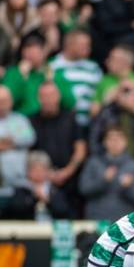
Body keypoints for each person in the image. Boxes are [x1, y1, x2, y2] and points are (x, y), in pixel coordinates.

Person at [29, 81, 86, 218]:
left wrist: (67, 171)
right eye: (44, 96)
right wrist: (44, 176)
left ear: (58, 97)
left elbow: (81, 149)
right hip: (39, 184)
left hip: (69, 182)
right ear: (39, 98)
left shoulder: (71, 119)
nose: (48, 99)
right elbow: (28, 153)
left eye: (51, 95)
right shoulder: (31, 121)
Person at [0, 84, 35, 198]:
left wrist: (6, 141)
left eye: (4, 100)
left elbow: (30, 138)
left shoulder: (20, 120)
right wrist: (13, 144)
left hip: (19, 183)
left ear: (11, 101)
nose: (1, 104)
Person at [79, 125, 134, 221]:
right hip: (96, 218)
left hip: (123, 221)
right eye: (111, 139)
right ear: (104, 142)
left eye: (119, 139)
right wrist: (103, 180)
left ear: (125, 142)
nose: (115, 143)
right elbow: (83, 189)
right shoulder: (93, 162)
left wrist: (127, 187)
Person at [50, 29, 103, 129]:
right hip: (64, 125)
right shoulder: (53, 67)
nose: (88, 48)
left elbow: (100, 91)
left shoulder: (93, 67)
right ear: (69, 45)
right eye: (83, 45)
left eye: (88, 45)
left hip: (92, 124)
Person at [89, 79, 134, 159]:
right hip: (112, 160)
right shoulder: (107, 111)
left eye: (129, 91)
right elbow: (94, 138)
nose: (126, 95)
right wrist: (102, 161)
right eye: (123, 91)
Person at [1, 32, 49, 117]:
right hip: (21, 120)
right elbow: (8, 100)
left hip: (46, 120)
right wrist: (21, 76)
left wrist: (50, 81)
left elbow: (69, 101)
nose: (29, 56)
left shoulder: (49, 72)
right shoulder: (13, 73)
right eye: (27, 53)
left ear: (43, 53)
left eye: (34, 53)